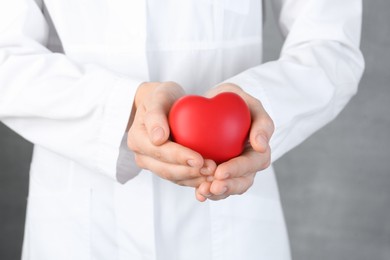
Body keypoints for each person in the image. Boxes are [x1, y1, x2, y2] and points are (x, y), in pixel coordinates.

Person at [0, 0, 364, 259]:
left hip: (231, 207)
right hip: (79, 224)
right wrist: (126, 108)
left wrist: (258, 107)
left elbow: (331, 47)